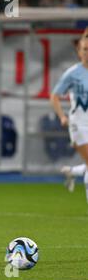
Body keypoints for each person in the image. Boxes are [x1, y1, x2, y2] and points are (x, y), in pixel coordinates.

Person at [51, 27, 88, 203]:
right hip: (78, 124)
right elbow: (55, 96)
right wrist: (62, 116)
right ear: (79, 51)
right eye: (85, 50)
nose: (87, 53)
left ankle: (71, 172)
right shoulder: (73, 73)